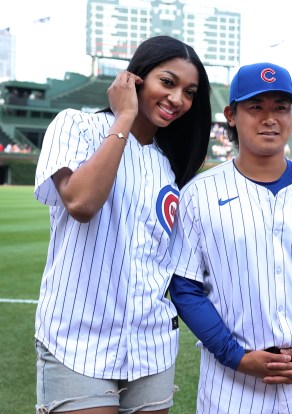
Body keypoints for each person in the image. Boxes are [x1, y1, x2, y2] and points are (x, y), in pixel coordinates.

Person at [33, 35, 212, 414]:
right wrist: (125, 117)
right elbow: (81, 202)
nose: (178, 99)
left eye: (189, 91)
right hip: (76, 341)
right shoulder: (77, 125)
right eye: (168, 82)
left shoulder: (169, 163)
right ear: (135, 78)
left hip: (150, 346)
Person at [168, 62, 292, 414]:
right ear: (231, 114)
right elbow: (185, 287)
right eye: (256, 107)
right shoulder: (199, 194)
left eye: (280, 108)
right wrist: (235, 356)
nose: (269, 118)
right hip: (230, 386)